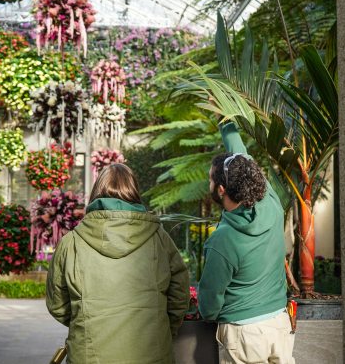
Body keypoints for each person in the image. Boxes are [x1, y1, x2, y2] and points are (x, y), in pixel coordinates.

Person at [46, 163, 190, 364]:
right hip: (152, 354)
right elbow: (180, 296)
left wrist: (85, 321)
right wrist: (162, 328)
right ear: (134, 193)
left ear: (96, 193)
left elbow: (57, 305)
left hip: (88, 356)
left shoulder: (71, 243)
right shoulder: (160, 239)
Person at [198, 121, 295, 364]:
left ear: (221, 190)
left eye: (210, 179)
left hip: (244, 334)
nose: (208, 183)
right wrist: (226, 121)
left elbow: (209, 305)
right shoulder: (270, 203)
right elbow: (244, 158)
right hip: (279, 325)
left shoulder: (222, 240)